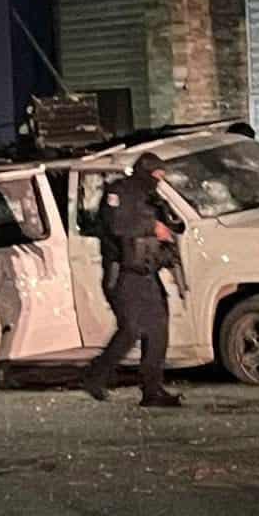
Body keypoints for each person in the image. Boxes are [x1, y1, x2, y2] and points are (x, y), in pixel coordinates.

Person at [80, 153, 183, 408]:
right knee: (131, 329)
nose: (158, 181)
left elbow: (173, 224)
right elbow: (117, 225)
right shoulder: (119, 192)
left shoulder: (151, 197)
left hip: (147, 273)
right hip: (123, 274)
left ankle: (152, 390)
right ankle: (95, 376)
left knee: (157, 330)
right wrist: (152, 227)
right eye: (156, 175)